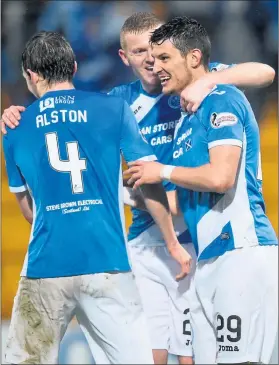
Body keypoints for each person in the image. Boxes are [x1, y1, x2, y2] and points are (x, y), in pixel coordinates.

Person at [1, 12, 276, 365]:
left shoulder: (198, 84)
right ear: (123, 58)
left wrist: (209, 82)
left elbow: (265, 72)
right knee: (153, 354)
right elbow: (68, 122)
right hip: (149, 240)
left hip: (198, 237)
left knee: (193, 356)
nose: (151, 60)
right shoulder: (118, 101)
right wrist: (18, 114)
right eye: (140, 52)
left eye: (158, 52)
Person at [2, 30, 193, 365]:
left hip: (46, 266)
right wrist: (172, 243)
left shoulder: (14, 127)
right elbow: (148, 181)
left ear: (31, 76)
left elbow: (30, 213)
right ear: (74, 67)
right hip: (107, 263)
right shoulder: (114, 108)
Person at [125, 16, 278, 365]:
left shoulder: (221, 97)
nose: (156, 65)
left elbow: (222, 178)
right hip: (208, 261)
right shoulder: (185, 116)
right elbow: (184, 201)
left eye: (164, 58)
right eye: (152, 58)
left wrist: (161, 170)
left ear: (193, 58)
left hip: (240, 253)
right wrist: (137, 191)